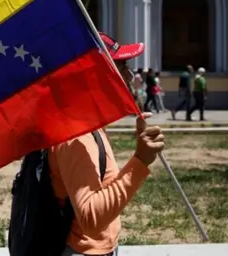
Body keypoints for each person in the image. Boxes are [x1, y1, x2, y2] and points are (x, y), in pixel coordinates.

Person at [49, 32, 165, 256]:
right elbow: (91, 220)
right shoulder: (77, 136)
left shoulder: (90, 124)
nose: (131, 76)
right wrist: (140, 161)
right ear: (96, 76)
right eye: (122, 65)